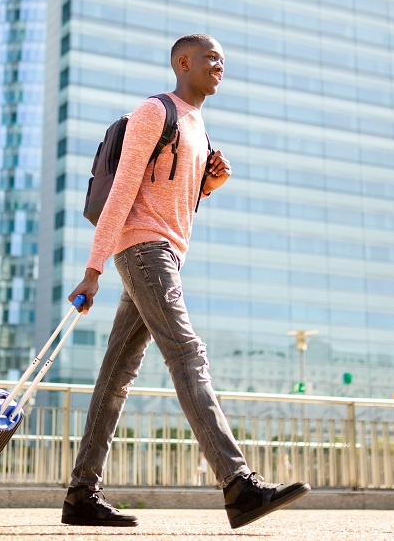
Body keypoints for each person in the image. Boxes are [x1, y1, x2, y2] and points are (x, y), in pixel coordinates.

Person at [61, 34, 310, 530]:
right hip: (144, 250)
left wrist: (210, 184)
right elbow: (123, 195)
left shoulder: (199, 126)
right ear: (183, 62)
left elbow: (173, 197)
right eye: (211, 59)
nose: (220, 66)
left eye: (223, 61)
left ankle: (80, 495)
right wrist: (92, 271)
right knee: (187, 354)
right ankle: (238, 485)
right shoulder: (155, 112)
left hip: (164, 253)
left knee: (116, 378)